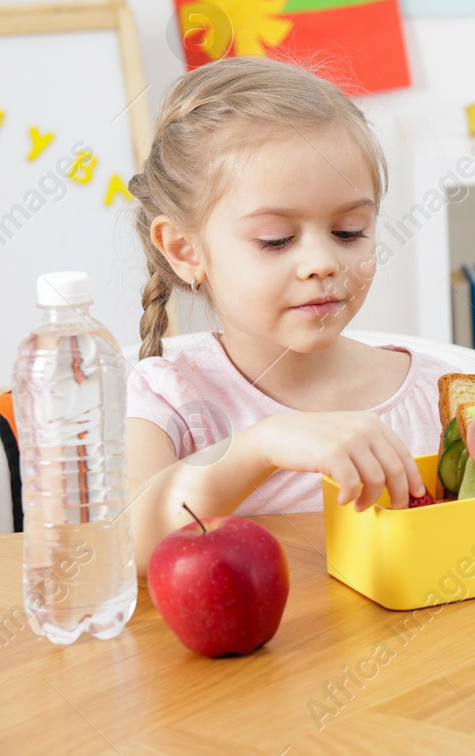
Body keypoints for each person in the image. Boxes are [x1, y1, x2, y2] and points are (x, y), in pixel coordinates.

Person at [125, 58, 439, 575]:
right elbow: (131, 542)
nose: (322, 263)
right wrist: (262, 445)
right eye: (277, 240)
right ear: (184, 249)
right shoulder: (173, 397)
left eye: (349, 231)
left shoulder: (434, 393)